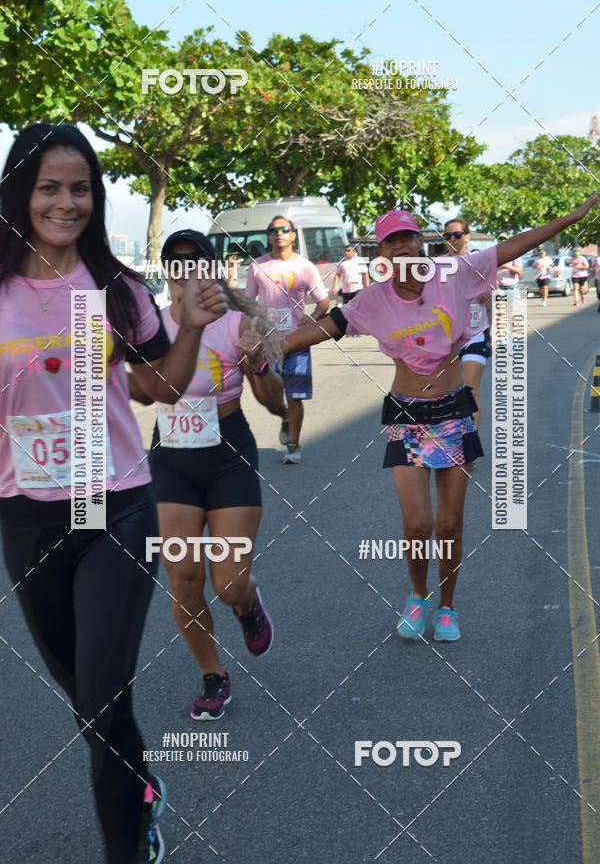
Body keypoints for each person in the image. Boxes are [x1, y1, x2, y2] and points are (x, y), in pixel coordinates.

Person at [0, 124, 228, 863]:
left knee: (100, 702)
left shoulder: (114, 288)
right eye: (49, 187)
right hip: (25, 516)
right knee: (93, 711)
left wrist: (190, 326)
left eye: (81, 188)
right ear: (20, 193)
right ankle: (143, 788)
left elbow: (159, 385)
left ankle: (129, 848)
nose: (66, 203)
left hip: (114, 507)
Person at [259, 198, 599, 642]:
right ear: (382, 254)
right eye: (391, 241)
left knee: (449, 524)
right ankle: (418, 595)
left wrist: (570, 217)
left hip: (454, 411)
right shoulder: (372, 300)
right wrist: (271, 347)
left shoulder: (456, 275)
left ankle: (448, 606)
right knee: (418, 523)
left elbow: (513, 247)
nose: (401, 247)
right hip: (405, 415)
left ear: (422, 242)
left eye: (408, 237)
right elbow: (327, 327)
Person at [129, 230, 283, 722]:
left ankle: (247, 601)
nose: (185, 269)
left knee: (228, 583)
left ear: (211, 268)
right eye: (174, 261)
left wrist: (258, 361)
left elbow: (276, 403)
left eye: (195, 260)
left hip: (226, 452)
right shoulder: (149, 326)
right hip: (171, 456)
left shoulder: (239, 323)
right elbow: (145, 392)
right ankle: (213, 676)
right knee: (185, 578)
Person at [245, 215, 330, 464]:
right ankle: (283, 416)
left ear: (293, 235)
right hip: (268, 343)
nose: (279, 233)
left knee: (295, 396)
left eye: (285, 229)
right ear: (268, 236)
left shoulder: (305, 267)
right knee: (272, 398)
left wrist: (313, 317)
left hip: (297, 341)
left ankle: (293, 445)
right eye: (274, 230)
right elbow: (249, 304)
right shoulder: (256, 266)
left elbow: (323, 301)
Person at [443, 219, 491, 430]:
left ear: (467, 236)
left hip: (475, 333)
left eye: (457, 235)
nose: (452, 239)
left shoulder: (479, 263)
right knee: (447, 392)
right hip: (446, 339)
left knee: (470, 390)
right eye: (448, 236)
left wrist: (487, 293)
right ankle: (451, 438)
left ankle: (470, 442)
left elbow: (490, 289)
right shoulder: (437, 266)